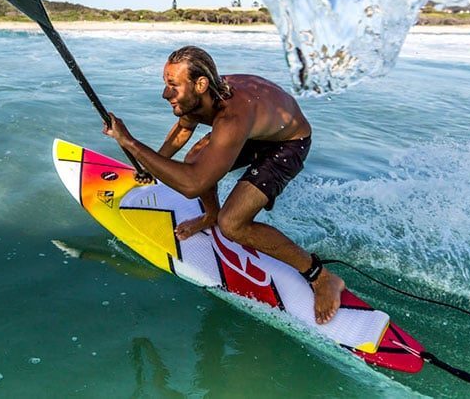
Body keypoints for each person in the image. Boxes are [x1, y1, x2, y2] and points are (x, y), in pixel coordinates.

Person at [102, 46, 345, 324]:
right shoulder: (198, 97)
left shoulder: (232, 118)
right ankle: (210, 215)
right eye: (165, 83)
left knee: (233, 225)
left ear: (201, 84)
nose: (165, 94)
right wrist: (148, 165)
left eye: (173, 86)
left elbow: (193, 183)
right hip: (258, 130)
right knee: (196, 156)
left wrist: (131, 143)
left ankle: (320, 276)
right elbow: (183, 130)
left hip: (288, 144)